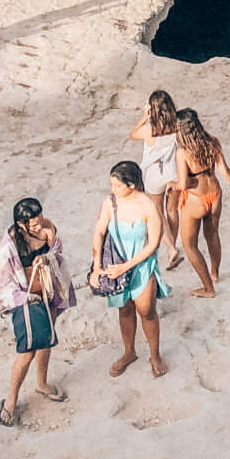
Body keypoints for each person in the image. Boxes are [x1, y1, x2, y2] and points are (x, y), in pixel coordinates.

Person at [0, 197, 76, 427]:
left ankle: (42, 383)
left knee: (46, 339)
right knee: (27, 351)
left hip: (48, 293)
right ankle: (10, 400)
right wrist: (24, 296)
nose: (39, 225)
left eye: (39, 220)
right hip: (26, 299)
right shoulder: (11, 243)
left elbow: (57, 251)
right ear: (21, 223)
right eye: (33, 224)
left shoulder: (48, 227)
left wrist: (46, 259)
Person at [89, 159, 169, 379]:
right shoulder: (110, 202)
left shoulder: (148, 206)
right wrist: (96, 267)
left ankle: (154, 354)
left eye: (117, 186)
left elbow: (153, 244)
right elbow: (99, 232)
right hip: (116, 264)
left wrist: (126, 267)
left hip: (141, 265)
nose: (112, 190)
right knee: (124, 310)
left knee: (147, 311)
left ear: (131, 185)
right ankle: (129, 352)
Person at [173, 106, 230, 297]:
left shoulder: (182, 152)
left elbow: (184, 183)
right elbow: (224, 170)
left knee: (189, 244)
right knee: (212, 235)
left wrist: (171, 184)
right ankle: (215, 273)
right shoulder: (213, 142)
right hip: (215, 194)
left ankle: (208, 288)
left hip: (196, 199)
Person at [131, 88, 183, 269]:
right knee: (172, 210)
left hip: (154, 175)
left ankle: (171, 249)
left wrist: (144, 117)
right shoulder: (177, 126)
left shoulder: (149, 129)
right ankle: (173, 245)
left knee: (157, 212)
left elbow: (132, 134)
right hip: (173, 171)